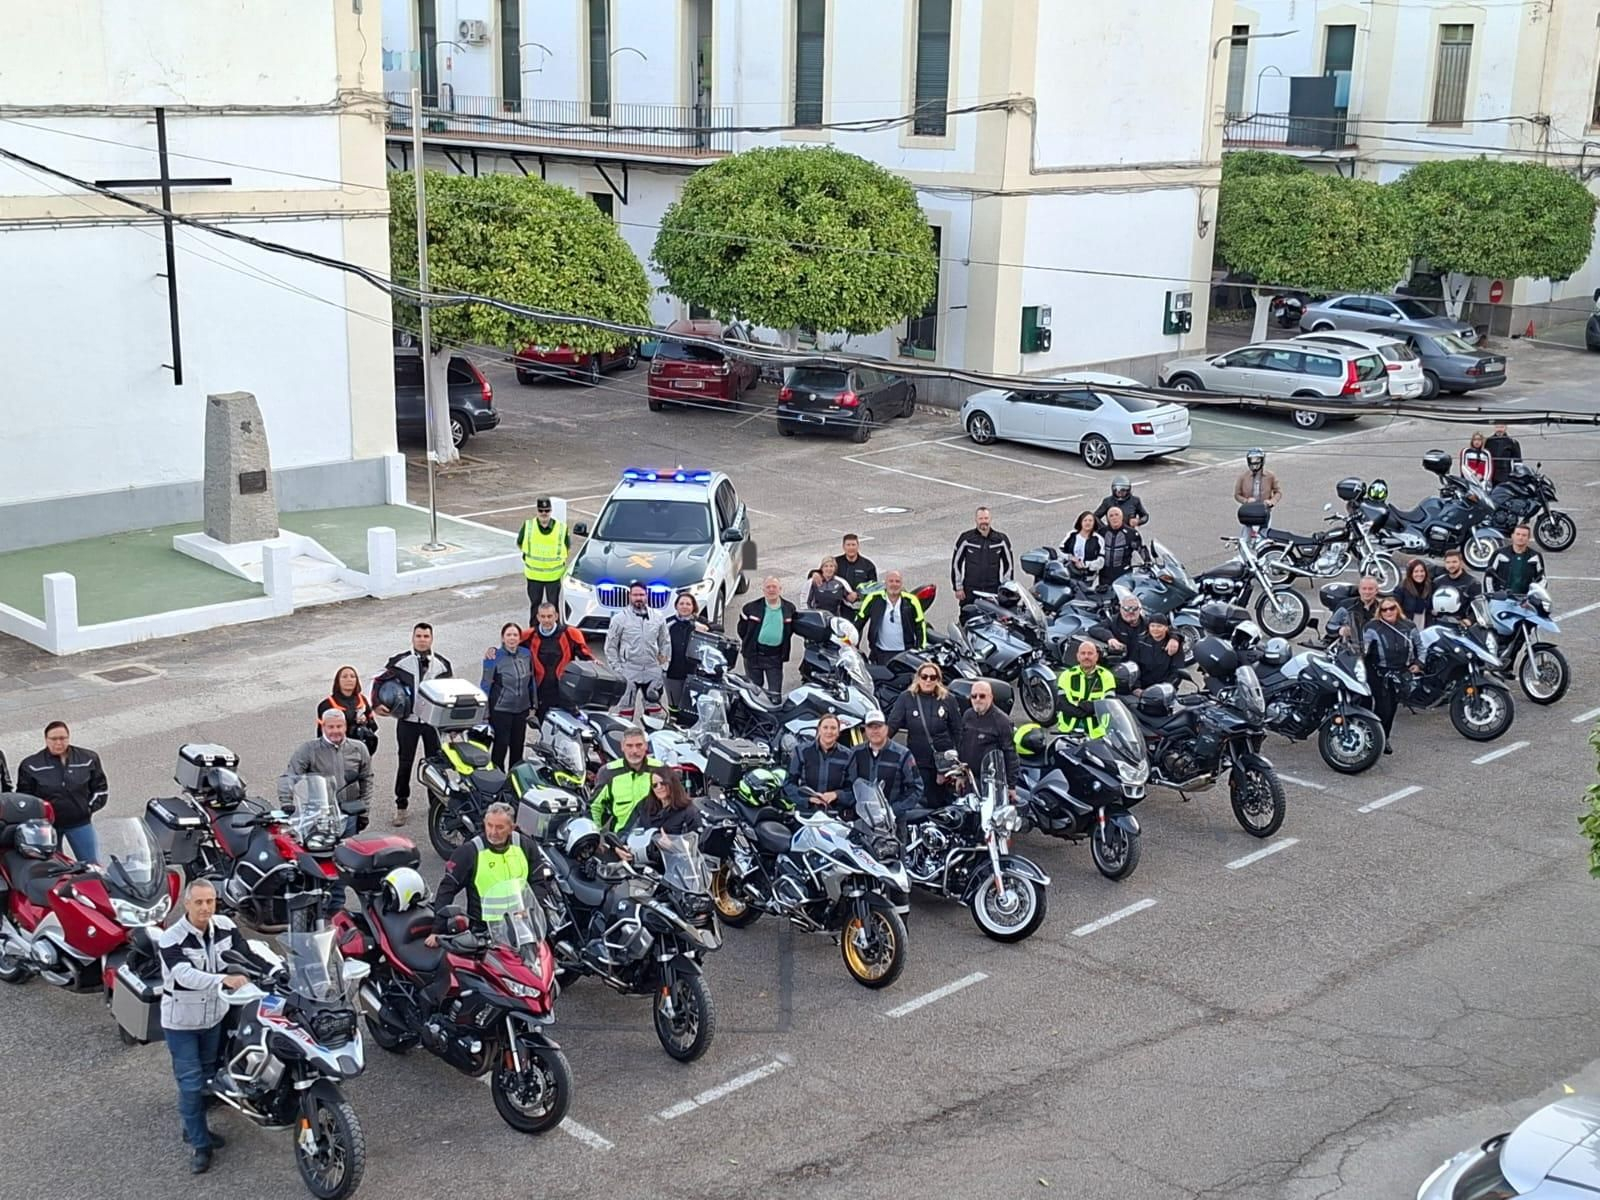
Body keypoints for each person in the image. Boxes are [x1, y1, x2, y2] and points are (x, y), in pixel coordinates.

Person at [157, 879, 249, 1174]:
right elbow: (185, 975)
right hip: (182, 1022)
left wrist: (278, 969)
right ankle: (199, 1143)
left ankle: (194, 1117)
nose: (205, 908)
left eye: (210, 901)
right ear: (186, 905)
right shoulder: (170, 939)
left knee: (210, 1072)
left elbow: (246, 953)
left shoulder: (224, 926)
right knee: (191, 1082)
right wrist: (222, 979)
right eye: (198, 902)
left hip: (214, 1017)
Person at [373, 622, 453, 828]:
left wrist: (450, 725)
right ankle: (401, 807)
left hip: (431, 723)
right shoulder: (400, 662)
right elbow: (379, 681)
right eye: (419, 636)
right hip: (407, 722)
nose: (422, 639)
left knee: (435, 765)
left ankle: (436, 806)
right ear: (413, 638)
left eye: (426, 636)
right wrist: (376, 703)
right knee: (405, 763)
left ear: (432, 639)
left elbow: (450, 692)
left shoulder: (442, 664)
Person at [432, 802, 552, 934]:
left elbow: (539, 882)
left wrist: (531, 910)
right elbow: (447, 889)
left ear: (512, 828)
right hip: (485, 931)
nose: (493, 832)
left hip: (523, 925)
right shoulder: (469, 852)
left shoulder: (526, 846)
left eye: (500, 827)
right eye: (489, 825)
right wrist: (437, 930)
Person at [16, 720, 107, 863]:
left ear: (68, 737)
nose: (58, 743)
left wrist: (86, 809)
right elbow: (24, 798)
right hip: (47, 827)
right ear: (46, 739)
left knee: (91, 864)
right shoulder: (31, 765)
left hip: (80, 823)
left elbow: (101, 790)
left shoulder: (88, 759)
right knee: (53, 867)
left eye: (62, 738)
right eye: (53, 739)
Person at [280, 708, 374, 835]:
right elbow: (290, 776)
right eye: (331, 727)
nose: (335, 731)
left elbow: (367, 779)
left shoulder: (359, 748)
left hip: (350, 812)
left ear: (345, 726)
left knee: (348, 851)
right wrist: (287, 804)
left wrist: (364, 811)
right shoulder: (308, 750)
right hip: (321, 814)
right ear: (323, 727)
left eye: (339, 726)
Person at [886, 662, 963, 802]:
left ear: (938, 680)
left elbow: (958, 730)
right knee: (921, 797)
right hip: (918, 760)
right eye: (924, 676)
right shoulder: (906, 698)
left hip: (944, 761)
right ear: (918, 678)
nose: (928, 680)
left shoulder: (948, 699)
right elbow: (893, 724)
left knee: (944, 799)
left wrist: (960, 758)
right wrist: (879, 744)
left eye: (933, 677)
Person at [1363, 597, 1423, 754]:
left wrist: (1418, 664)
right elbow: (1363, 649)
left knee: (1392, 709)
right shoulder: (1372, 627)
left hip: (1401, 674)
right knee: (1384, 709)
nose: (1388, 612)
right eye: (1384, 609)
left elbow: (1420, 647)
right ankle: (1374, 739)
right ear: (1380, 612)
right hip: (1379, 673)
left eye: (1392, 608)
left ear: (1397, 609)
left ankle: (1384, 738)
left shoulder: (1409, 626)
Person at [846, 710, 922, 825]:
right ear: (865, 730)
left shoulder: (903, 754)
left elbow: (916, 788)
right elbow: (848, 785)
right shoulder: (855, 753)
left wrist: (892, 810)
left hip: (894, 823)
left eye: (878, 726)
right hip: (862, 822)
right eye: (871, 727)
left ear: (886, 728)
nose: (875, 731)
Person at [604, 582, 670, 717]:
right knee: (625, 713)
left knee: (655, 714)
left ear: (647, 596)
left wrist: (663, 667)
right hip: (629, 671)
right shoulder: (619, 619)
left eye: (641, 594)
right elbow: (610, 646)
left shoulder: (658, 617)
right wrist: (618, 669)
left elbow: (665, 643)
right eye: (635, 595)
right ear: (630, 596)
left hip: (652, 671)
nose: (638, 598)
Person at [520, 602, 592, 720]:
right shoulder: (529, 635)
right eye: (543, 617)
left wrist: (596, 665)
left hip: (566, 690)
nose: (546, 620)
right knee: (544, 727)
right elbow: (508, 648)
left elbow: (586, 655)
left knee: (571, 726)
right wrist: (492, 651)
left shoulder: (570, 633)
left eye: (549, 616)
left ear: (556, 616)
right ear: (537, 617)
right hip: (542, 692)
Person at [479, 623, 535, 770]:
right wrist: (485, 714)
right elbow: (485, 686)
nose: (512, 638)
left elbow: (531, 681)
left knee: (517, 747)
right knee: (500, 747)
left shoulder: (526, 654)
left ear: (519, 638)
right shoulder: (493, 657)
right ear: (502, 638)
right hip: (500, 710)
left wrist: (533, 705)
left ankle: (515, 781)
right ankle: (497, 783)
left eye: (515, 635)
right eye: (508, 635)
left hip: (521, 710)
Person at [589, 728, 665, 835]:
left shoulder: (660, 769)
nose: (634, 751)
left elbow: (675, 804)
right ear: (622, 746)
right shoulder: (608, 772)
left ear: (646, 746)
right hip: (622, 840)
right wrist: (597, 838)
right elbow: (594, 808)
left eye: (639, 745)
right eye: (629, 746)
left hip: (656, 837)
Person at [956, 681, 1018, 800]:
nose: (978, 699)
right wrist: (961, 775)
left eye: (982, 696)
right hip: (971, 780)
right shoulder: (968, 715)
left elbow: (1011, 754)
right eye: (974, 696)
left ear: (991, 697)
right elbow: (961, 746)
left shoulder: (1002, 721)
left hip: (992, 783)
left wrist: (1011, 786)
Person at [737, 576, 797, 701]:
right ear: (763, 590)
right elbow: (742, 630)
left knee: (775, 696)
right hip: (753, 655)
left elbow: (790, 631)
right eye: (768, 587)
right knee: (754, 694)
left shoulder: (789, 609)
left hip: (775, 657)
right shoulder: (750, 608)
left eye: (774, 587)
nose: (771, 590)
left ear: (780, 589)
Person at [784, 712, 854, 810]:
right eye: (825, 727)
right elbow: (788, 785)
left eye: (833, 728)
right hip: (807, 812)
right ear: (819, 730)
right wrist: (808, 799)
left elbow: (853, 790)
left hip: (835, 814)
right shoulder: (801, 751)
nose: (829, 731)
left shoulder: (848, 756)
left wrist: (836, 795)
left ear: (838, 732)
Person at [516, 497, 570, 624]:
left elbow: (567, 547)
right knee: (535, 606)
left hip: (553, 576)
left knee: (553, 607)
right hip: (534, 575)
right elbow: (520, 543)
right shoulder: (528, 526)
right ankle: (534, 634)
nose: (544, 513)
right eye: (541, 510)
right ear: (537, 511)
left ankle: (555, 634)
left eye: (546, 510)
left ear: (551, 511)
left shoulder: (561, 528)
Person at [859, 570, 927, 665]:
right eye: (891, 581)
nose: (894, 584)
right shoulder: (873, 598)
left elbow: (920, 626)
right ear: (885, 583)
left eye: (897, 581)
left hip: (904, 653)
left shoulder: (911, 600)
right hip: (880, 653)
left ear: (901, 584)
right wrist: (851, 643)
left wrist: (920, 650)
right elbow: (859, 622)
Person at [950, 506, 1014, 604]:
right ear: (976, 520)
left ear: (990, 519)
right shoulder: (966, 539)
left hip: (992, 589)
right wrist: (958, 587)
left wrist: (1006, 588)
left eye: (986, 518)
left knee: (993, 617)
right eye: (981, 519)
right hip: (970, 590)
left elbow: (1009, 565)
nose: (983, 521)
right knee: (967, 616)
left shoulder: (1001, 540)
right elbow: (956, 564)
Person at [1055, 640, 1115, 735]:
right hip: (1068, 729)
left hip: (1097, 731)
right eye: (1083, 653)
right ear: (1078, 657)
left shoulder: (1106, 676)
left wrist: (1079, 705)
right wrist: (1088, 711)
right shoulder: (1066, 675)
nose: (1086, 656)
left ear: (1096, 657)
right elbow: (1062, 704)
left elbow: (1108, 705)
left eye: (1090, 653)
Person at [663, 592, 709, 719]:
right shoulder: (668, 623)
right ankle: (674, 725)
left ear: (693, 607)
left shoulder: (701, 622)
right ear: (676, 606)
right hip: (673, 671)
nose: (684, 606)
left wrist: (699, 626)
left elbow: (717, 630)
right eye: (681, 603)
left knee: (692, 706)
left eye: (688, 604)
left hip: (694, 672)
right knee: (674, 706)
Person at [317, 666, 378, 755]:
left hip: (361, 750)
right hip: (337, 751)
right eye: (344, 677)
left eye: (352, 676)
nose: (349, 680)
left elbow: (374, 727)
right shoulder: (327, 704)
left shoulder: (362, 700)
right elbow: (321, 734)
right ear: (338, 681)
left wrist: (365, 721)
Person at [1485, 524, 1546, 597]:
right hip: (1502, 599)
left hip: (1525, 600)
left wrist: (1534, 596)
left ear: (1528, 538)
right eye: (1518, 534)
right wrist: (1491, 596)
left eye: (1524, 535)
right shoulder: (1499, 553)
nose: (1520, 537)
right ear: (1512, 536)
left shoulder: (1535, 556)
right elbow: (1489, 577)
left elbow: (1542, 579)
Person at [1233, 448, 1282, 538]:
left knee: (1264, 535)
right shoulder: (1243, 477)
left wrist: (1271, 502)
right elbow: (1237, 494)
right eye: (1252, 461)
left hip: (1264, 510)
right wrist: (1246, 501)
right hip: (1249, 511)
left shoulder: (1270, 476)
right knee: (1246, 536)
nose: (1254, 465)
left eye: (1257, 461)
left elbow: (1278, 492)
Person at [1130, 612, 1183, 692]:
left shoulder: (1173, 645)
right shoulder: (1140, 642)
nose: (1155, 629)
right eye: (1152, 626)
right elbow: (1134, 665)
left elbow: (1176, 672)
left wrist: (1165, 689)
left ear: (1166, 628)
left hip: (1164, 689)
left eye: (1159, 626)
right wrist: (1136, 687)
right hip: (1142, 688)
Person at [639, 770, 702, 836]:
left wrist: (672, 845)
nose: (659, 787)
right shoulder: (646, 808)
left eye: (663, 783)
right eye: (655, 785)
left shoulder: (689, 811)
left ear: (672, 783)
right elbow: (636, 832)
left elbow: (697, 842)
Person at [1098, 507, 1145, 590]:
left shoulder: (1132, 533)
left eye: (1117, 515)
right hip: (1105, 576)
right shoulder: (1102, 532)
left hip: (1124, 575)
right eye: (1111, 516)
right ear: (1108, 519)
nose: (1114, 518)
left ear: (1122, 517)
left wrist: (1148, 562)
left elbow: (1141, 549)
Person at [1327, 576, 1383, 645]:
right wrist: (1340, 630)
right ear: (1359, 590)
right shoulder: (1346, 605)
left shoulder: (1383, 608)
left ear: (1376, 591)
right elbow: (1330, 625)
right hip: (1350, 647)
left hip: (1374, 648)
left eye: (1370, 589)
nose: (1367, 592)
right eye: (1364, 589)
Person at [1060, 511, 1104, 582]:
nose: (1088, 523)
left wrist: (1085, 565)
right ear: (1080, 522)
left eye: (1090, 520)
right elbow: (1060, 551)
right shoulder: (1072, 535)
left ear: (1094, 523)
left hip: (1088, 578)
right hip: (1070, 574)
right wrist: (1070, 557)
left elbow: (1101, 561)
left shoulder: (1098, 539)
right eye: (1085, 520)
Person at [833, 533, 877, 599]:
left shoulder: (868, 565)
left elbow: (873, 587)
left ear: (858, 546)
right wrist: (814, 573)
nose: (851, 547)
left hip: (861, 603)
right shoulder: (835, 562)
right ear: (843, 547)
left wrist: (858, 594)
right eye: (848, 545)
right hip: (840, 603)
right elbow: (823, 574)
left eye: (853, 545)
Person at [1396, 559, 1434, 628]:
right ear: (1411, 573)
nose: (1419, 574)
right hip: (1407, 623)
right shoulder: (1401, 588)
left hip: (1424, 621)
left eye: (1422, 571)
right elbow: (1397, 608)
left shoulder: (1430, 585)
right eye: (1416, 571)